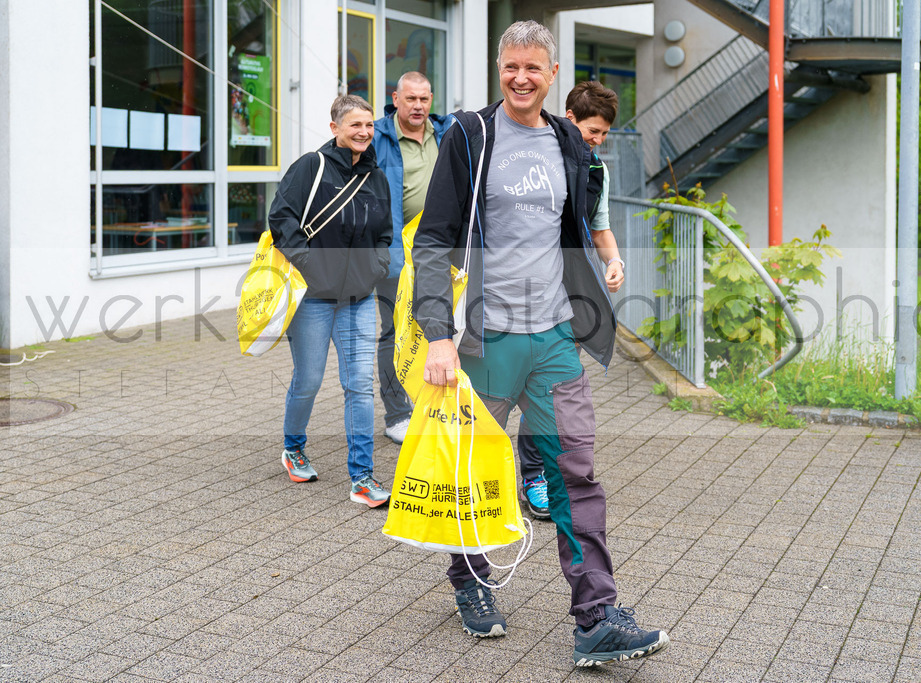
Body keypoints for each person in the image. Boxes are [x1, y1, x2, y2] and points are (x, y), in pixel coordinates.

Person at [411, 20, 669, 667]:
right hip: (487, 339)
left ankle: (596, 617)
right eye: (511, 67)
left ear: (553, 74)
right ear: (499, 69)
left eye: (533, 68)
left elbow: (579, 225)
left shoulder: (568, 142)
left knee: (574, 473)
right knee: (474, 470)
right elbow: (434, 238)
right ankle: (469, 577)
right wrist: (438, 334)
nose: (521, 78)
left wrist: (604, 268)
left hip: (554, 337)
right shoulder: (470, 136)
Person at [268, 94, 393, 508]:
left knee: (359, 385)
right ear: (335, 127)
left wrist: (375, 266)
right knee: (309, 380)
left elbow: (384, 232)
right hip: (314, 298)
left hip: (358, 297)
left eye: (369, 125)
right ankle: (293, 447)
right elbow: (281, 218)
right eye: (355, 125)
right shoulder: (312, 167)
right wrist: (311, 266)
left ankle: (362, 477)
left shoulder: (376, 176)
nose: (364, 132)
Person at [516, 80, 625, 521]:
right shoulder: (536, 156)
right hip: (521, 291)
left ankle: (537, 475)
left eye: (604, 134)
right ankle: (510, 473)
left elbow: (600, 227)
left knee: (552, 388)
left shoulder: (597, 170)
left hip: (570, 293)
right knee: (521, 385)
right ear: (569, 118)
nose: (597, 141)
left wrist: (613, 261)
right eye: (592, 131)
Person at [372, 72, 455, 444]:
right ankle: (397, 415)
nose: (418, 106)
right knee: (395, 333)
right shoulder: (377, 136)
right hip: (394, 255)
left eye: (424, 99)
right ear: (396, 99)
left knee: (442, 330)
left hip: (442, 252)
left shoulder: (448, 133)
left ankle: (438, 408)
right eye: (411, 99)